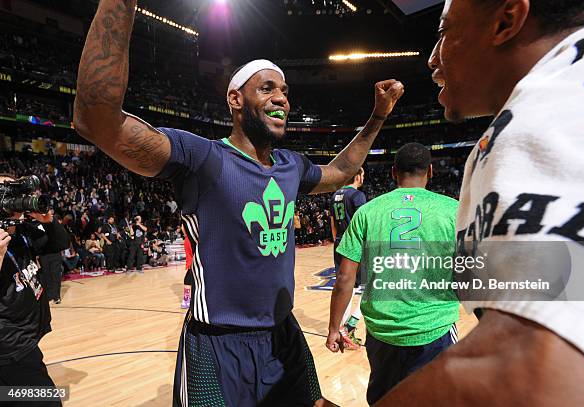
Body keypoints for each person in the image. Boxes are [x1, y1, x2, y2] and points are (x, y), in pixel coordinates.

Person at [74, 1, 403, 404]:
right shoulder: (203, 157)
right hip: (216, 343)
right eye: (267, 88)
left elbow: (340, 170)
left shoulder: (291, 166)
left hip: (282, 333)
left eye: (284, 90)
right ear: (235, 99)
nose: (281, 97)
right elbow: (96, 118)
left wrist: (377, 117)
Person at [376, 1, 584, 405]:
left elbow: (532, 373)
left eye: (445, 32)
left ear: (506, 21)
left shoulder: (552, 115)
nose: (433, 58)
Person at [326, 143, 460, 405]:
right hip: (435, 328)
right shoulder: (453, 209)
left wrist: (333, 328)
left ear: (393, 172)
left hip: (382, 331)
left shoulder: (368, 211)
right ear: (431, 172)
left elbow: (344, 277)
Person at [0, 178, 69, 406]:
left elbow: (59, 243)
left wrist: (48, 222)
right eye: (6, 190)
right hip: (11, 344)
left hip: (26, 334)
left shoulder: (23, 230)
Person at [330, 167, 367, 350]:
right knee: (372, 287)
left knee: (345, 286)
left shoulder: (335, 194)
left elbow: (332, 222)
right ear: (358, 176)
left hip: (339, 243)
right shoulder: (357, 195)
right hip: (355, 245)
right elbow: (363, 222)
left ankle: (341, 328)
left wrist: (337, 241)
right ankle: (349, 326)